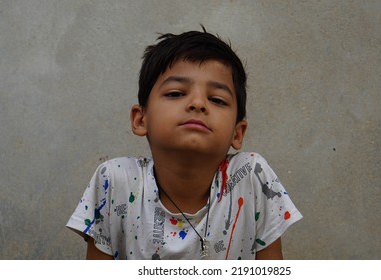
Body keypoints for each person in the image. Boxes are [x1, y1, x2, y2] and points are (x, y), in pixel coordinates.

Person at [66, 28, 302, 260]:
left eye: (217, 99)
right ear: (140, 119)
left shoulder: (251, 177)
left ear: (237, 133)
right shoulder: (116, 181)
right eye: (176, 93)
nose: (198, 103)